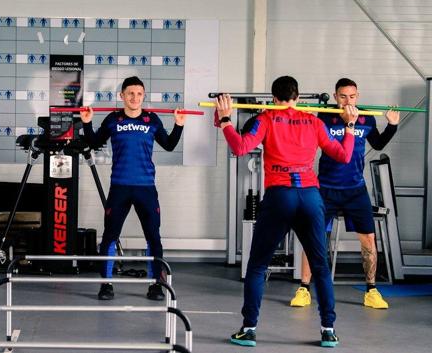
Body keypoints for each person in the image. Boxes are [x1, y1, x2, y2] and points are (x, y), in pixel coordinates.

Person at [216, 76, 358, 347]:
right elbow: (343, 156)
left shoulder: (267, 118)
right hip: (310, 197)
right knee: (321, 266)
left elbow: (240, 147)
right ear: (298, 96)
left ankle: (249, 329)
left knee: (257, 265)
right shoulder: (314, 121)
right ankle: (328, 330)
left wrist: (225, 120)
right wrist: (349, 126)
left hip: (280, 196)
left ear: (274, 98)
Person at [290, 78, 399, 309]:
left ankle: (371, 291)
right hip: (326, 189)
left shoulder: (366, 117)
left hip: (355, 190)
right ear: (335, 95)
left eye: (351, 96)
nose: (347, 101)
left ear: (357, 96)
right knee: (314, 237)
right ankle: (303, 289)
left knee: (369, 239)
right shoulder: (323, 116)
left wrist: (392, 126)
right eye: (342, 96)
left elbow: (378, 144)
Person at [80, 76, 185, 301]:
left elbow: (169, 145)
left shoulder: (152, 120)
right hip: (119, 187)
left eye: (139, 94)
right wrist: (87, 123)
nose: (134, 98)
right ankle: (105, 284)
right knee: (109, 236)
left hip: (146, 188)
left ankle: (156, 285)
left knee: (153, 237)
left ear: (143, 96)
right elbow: (94, 142)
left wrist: (179, 125)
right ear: (122, 96)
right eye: (130, 94)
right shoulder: (113, 119)